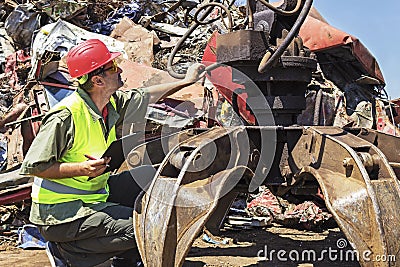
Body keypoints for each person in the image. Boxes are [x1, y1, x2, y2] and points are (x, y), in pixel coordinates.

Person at [20, 39, 205, 267]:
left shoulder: (110, 104)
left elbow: (144, 95)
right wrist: (81, 169)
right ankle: (70, 252)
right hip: (60, 214)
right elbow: (33, 166)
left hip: (93, 192)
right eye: (113, 67)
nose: (119, 70)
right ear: (98, 80)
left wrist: (187, 81)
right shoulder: (65, 116)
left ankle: (127, 258)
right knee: (144, 228)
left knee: (152, 179)